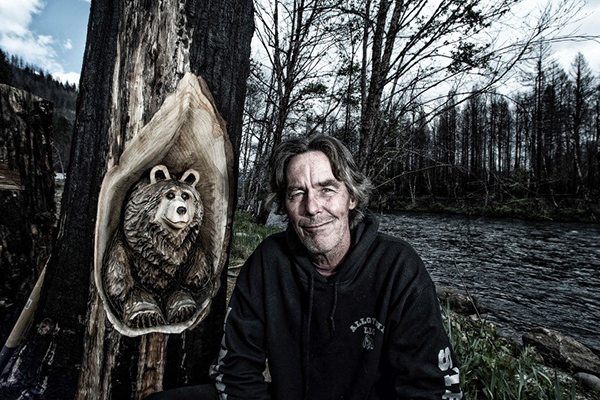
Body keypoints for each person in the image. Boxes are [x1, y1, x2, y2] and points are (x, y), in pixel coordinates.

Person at [208, 135, 464, 399]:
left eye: (326, 190)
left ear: (351, 197)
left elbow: (432, 388)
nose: (312, 207)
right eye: (297, 193)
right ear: (285, 205)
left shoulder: (398, 267)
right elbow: (235, 370)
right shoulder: (268, 262)